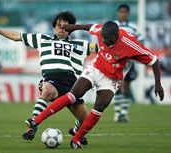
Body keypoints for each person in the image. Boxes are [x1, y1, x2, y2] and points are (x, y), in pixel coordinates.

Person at [19, 21, 164, 149]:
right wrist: (73, 27)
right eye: (103, 37)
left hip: (111, 79)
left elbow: (154, 60)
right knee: (72, 96)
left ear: (116, 35)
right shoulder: (101, 31)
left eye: (108, 38)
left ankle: (76, 139)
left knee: (99, 108)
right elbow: (89, 27)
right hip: (95, 69)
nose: (104, 41)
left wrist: (158, 84)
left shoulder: (130, 43)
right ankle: (35, 121)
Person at [0, 11, 98, 144]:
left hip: (72, 84)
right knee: (47, 90)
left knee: (86, 121)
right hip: (52, 79)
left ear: (71, 29)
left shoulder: (82, 45)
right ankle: (33, 126)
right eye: (59, 25)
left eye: (66, 26)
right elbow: (16, 36)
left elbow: (102, 49)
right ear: (54, 27)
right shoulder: (42, 39)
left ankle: (76, 131)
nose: (62, 28)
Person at [113, 4, 145, 122]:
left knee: (126, 86)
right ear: (118, 13)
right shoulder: (113, 25)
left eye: (125, 12)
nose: (123, 14)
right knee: (116, 86)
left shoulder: (134, 28)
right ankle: (117, 114)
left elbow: (141, 41)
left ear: (128, 13)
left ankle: (124, 113)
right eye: (121, 12)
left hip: (129, 61)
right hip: (116, 60)